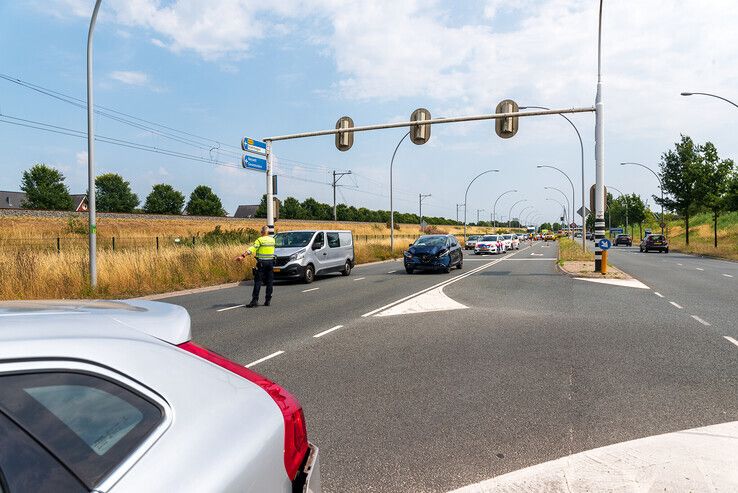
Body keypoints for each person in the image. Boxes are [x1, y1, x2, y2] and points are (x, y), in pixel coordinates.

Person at [235, 226, 275, 307]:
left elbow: (252, 248)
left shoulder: (259, 240)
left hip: (262, 263)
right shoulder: (272, 240)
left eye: (261, 231)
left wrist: (243, 256)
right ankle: (268, 300)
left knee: (258, 282)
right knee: (269, 282)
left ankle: (254, 301)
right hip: (270, 262)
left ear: (262, 232)